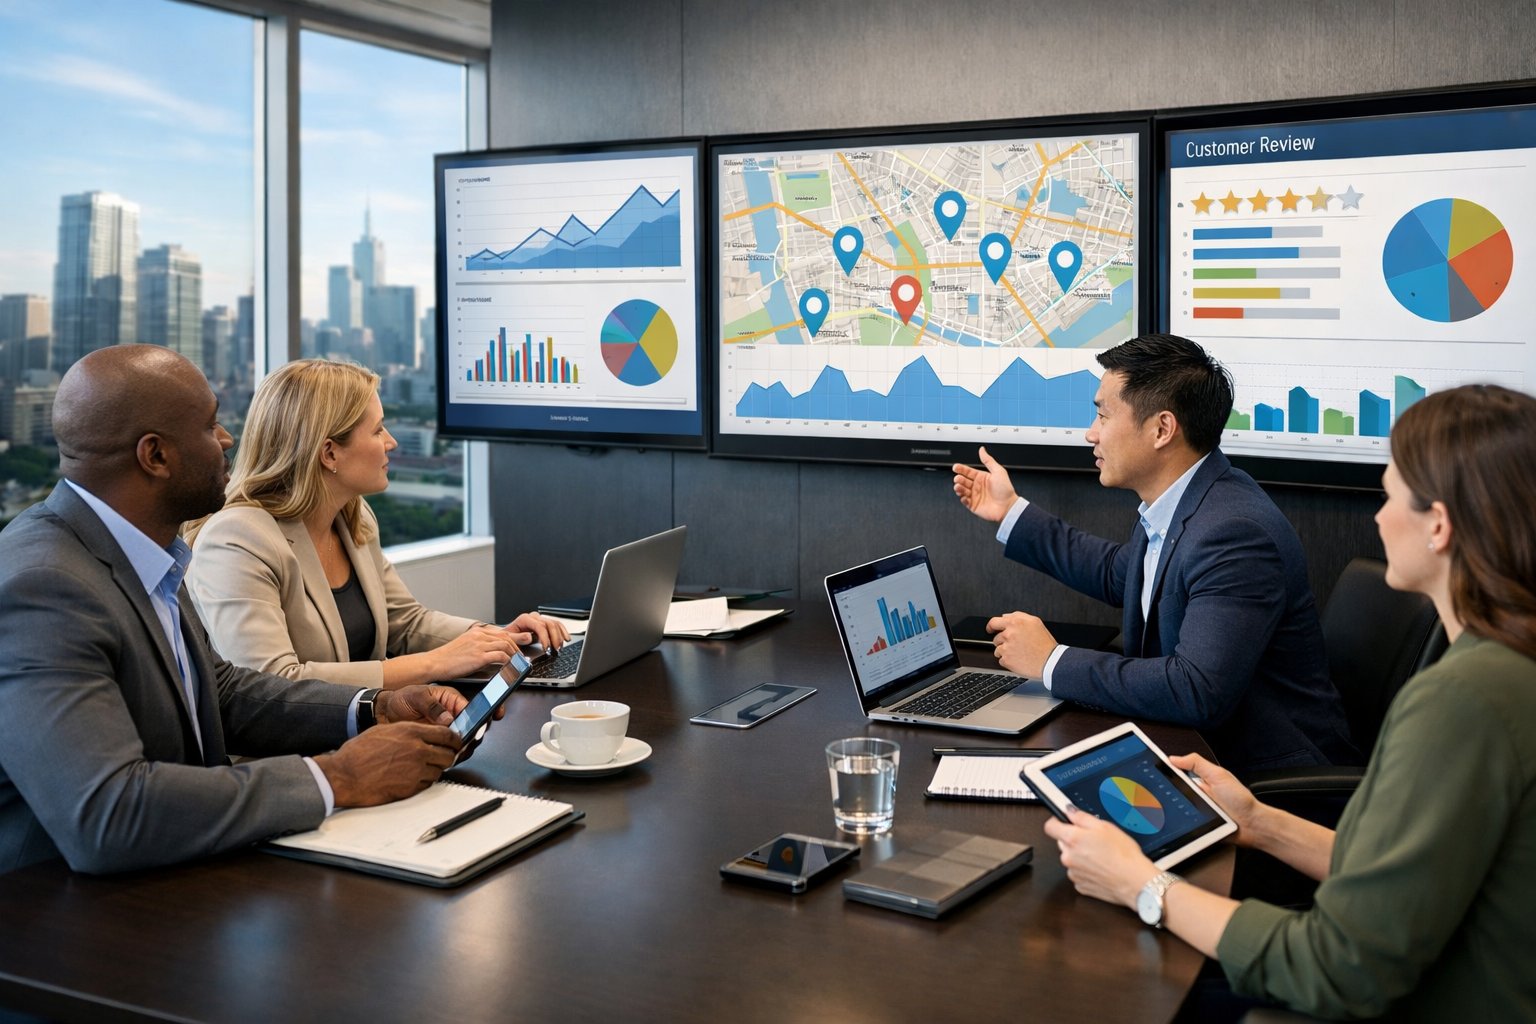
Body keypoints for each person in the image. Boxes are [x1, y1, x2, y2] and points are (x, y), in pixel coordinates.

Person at [1043, 384, 1536, 1021]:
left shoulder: (1462, 703)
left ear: (1438, 525)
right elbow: (1400, 875)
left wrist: (1142, 886)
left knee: (1107, 980)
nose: (1379, 517)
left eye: (1389, 497)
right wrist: (1257, 821)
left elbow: (1339, 968)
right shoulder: (1503, 668)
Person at [0, 346, 474, 875]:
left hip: (187, 868)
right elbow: (107, 814)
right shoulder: (43, 587)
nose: (228, 439)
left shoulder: (144, 550)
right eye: (211, 426)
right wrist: (339, 777)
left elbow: (222, 694)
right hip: (67, 917)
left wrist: (374, 708)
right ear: (155, 456)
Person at [952, 333, 1352, 773]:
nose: (1091, 433)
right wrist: (1011, 512)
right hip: (1189, 752)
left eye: (1103, 414)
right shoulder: (1185, 503)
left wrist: (1052, 661)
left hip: (1258, 778)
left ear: (1162, 429)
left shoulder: (1234, 533)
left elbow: (1195, 689)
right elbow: (1118, 574)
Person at [185, 359, 567, 689]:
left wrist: (495, 637)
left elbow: (404, 622)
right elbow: (272, 683)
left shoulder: (352, 516)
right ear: (329, 452)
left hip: (359, 734)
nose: (392, 442)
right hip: (285, 761)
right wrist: (437, 664)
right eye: (379, 430)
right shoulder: (236, 540)